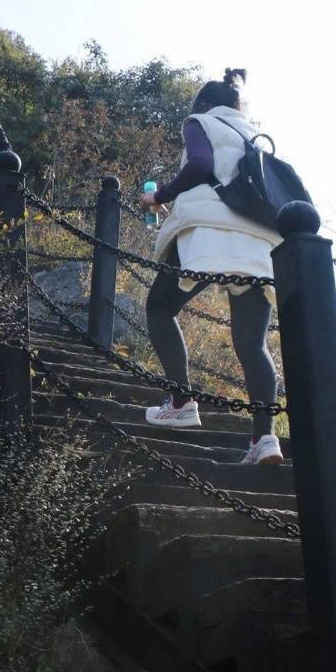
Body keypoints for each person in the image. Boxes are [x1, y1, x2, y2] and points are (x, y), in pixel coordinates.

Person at [136, 68, 284, 466]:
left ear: (202, 104)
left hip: (208, 231)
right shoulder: (252, 135)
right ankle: (264, 439)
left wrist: (159, 197)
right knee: (252, 344)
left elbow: (200, 165)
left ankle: (182, 401)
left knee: (159, 309)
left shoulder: (199, 122)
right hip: (256, 240)